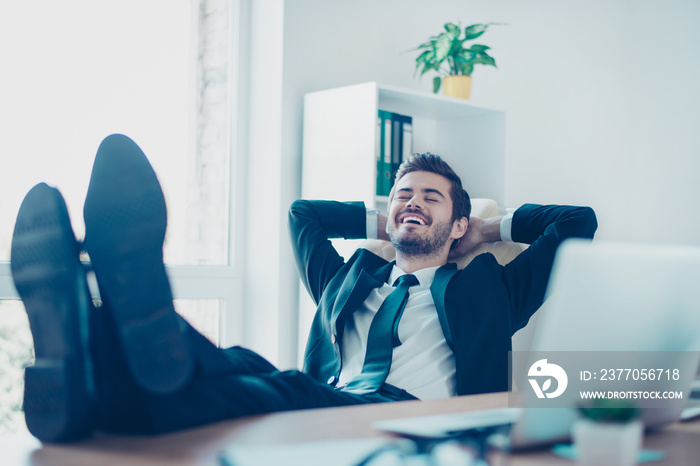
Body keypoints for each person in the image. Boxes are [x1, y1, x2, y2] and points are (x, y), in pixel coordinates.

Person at [10, 134, 597, 443]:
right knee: (238, 369)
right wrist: (388, 219)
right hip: (328, 405)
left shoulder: (495, 289)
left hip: (416, 421)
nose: (412, 202)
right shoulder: (346, 279)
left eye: (430, 197)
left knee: (277, 386)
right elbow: (302, 214)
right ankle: (92, 376)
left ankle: (95, 334)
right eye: (402, 195)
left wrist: (484, 230)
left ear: (459, 223)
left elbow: (577, 224)